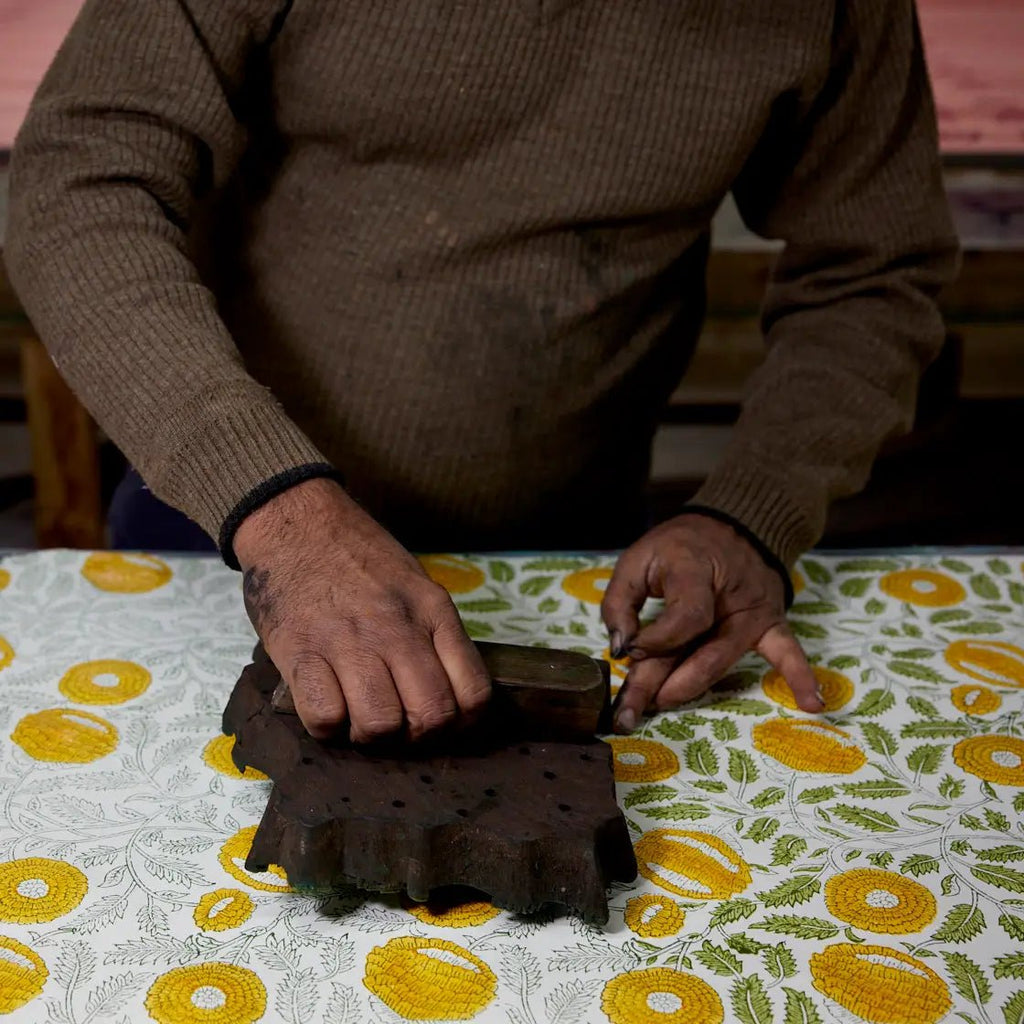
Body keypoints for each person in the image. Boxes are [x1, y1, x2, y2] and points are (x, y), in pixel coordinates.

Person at [5, 0, 958, 744]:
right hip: (226, 522)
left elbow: (875, 268)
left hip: (571, 563)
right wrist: (284, 520)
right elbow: (80, 177)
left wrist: (755, 510)